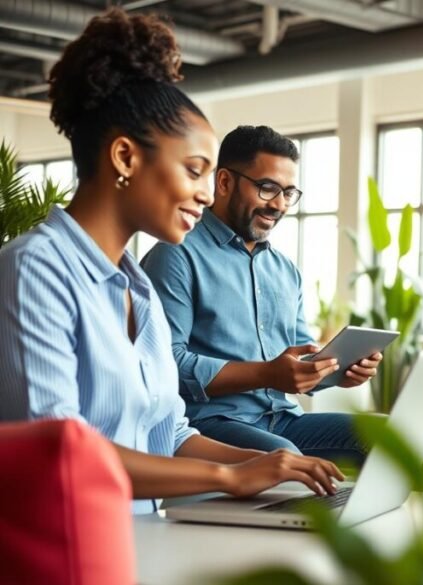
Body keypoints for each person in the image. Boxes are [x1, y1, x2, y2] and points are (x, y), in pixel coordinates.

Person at [0, 9, 345, 514]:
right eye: (195, 170)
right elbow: (62, 457)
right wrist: (227, 475)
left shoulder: (136, 287)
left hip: (143, 535)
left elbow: (169, 432)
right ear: (124, 158)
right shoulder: (34, 269)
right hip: (67, 547)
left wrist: (262, 467)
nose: (208, 195)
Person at [141, 125, 380, 463]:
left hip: (282, 419)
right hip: (209, 423)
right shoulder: (176, 253)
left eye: (289, 192)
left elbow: (297, 364)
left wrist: (335, 371)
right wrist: (267, 373)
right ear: (224, 182)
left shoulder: (286, 271)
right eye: (267, 189)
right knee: (289, 459)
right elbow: (164, 363)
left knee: (391, 440)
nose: (279, 204)